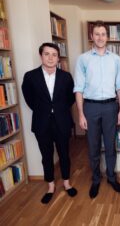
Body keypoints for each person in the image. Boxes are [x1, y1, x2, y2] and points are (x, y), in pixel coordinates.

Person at [22, 42, 77, 204]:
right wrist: (45, 110)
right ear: (41, 56)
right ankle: (51, 186)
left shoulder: (66, 76)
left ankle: (67, 183)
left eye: (54, 55)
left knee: (64, 154)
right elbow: (29, 99)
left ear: (58, 58)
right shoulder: (30, 76)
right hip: (41, 123)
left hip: (62, 121)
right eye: (47, 54)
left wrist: (58, 110)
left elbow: (70, 98)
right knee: (46, 156)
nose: (51, 58)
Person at [74, 20, 120, 198]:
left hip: (111, 107)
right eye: (97, 34)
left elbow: (119, 86)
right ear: (91, 37)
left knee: (110, 146)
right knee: (93, 147)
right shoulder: (83, 59)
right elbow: (78, 89)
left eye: (103, 34)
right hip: (91, 107)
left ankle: (111, 178)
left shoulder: (116, 59)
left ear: (107, 37)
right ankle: (96, 180)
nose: (100, 37)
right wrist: (81, 114)